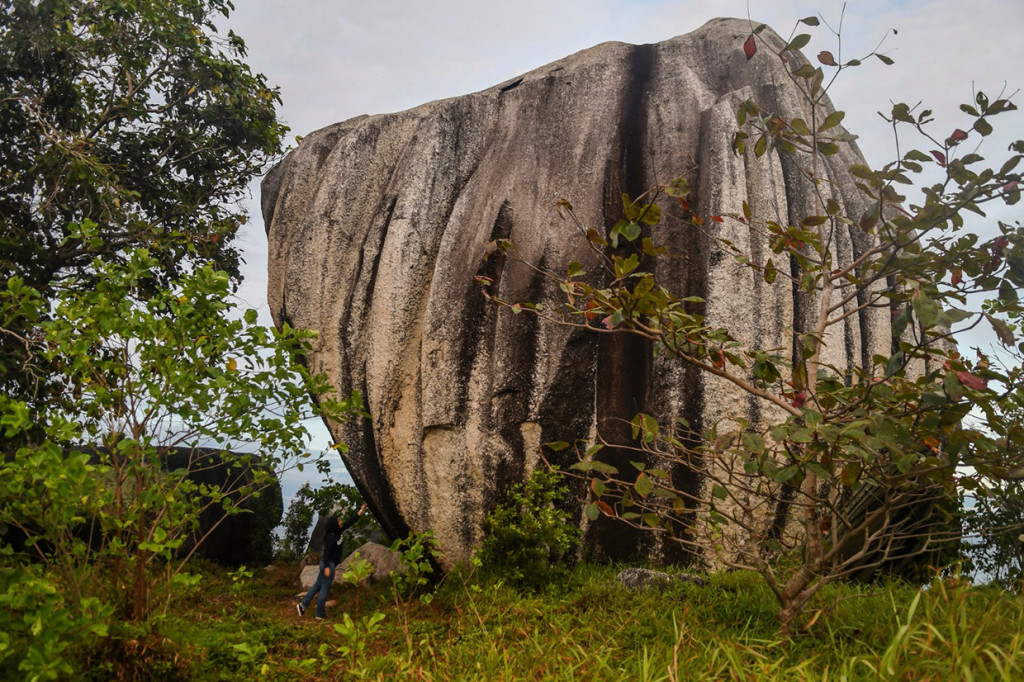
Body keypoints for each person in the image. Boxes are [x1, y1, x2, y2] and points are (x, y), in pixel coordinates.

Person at [296, 502, 368, 620]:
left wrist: (362, 509)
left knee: (316, 587)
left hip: (328, 564)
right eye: (339, 521)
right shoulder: (331, 537)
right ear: (334, 524)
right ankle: (319, 614)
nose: (341, 522)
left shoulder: (338, 531)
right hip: (328, 564)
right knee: (324, 589)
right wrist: (326, 568)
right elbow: (326, 554)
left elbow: (351, 521)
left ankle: (302, 605)